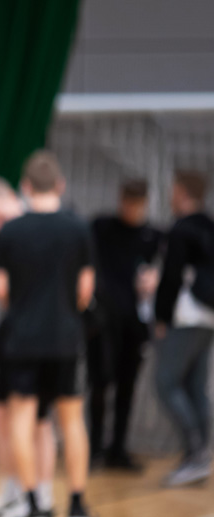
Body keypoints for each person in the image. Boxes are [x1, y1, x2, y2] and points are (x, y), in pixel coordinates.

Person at [0, 151, 99, 517]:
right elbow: (85, 291)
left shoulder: (9, 233)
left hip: (22, 339)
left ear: (26, 187)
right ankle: (79, 505)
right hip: (65, 338)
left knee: (22, 418)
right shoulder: (78, 228)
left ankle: (34, 506)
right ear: (61, 185)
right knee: (70, 419)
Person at [0, 175, 59, 517]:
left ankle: (38, 495)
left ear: (8, 196)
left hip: (38, 339)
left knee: (38, 420)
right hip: (8, 337)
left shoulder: (40, 231)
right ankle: (11, 492)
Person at [88, 180, 162, 471]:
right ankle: (94, 447)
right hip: (102, 323)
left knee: (126, 386)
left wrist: (154, 276)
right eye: (127, 200)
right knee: (99, 384)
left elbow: (164, 270)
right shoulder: (101, 228)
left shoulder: (153, 236)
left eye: (136, 202)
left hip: (134, 324)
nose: (130, 207)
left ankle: (117, 448)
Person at [154, 170, 214, 487]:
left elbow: (172, 277)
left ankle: (196, 453)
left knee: (165, 382)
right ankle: (199, 456)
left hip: (187, 316)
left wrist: (161, 316)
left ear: (182, 192)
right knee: (195, 387)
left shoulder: (182, 229)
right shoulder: (209, 225)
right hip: (209, 318)